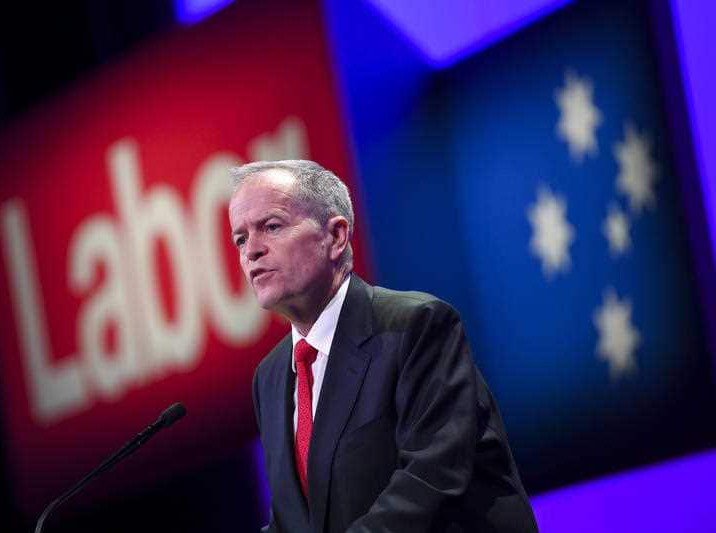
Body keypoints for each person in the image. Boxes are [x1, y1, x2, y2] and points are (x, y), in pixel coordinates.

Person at [228, 160, 538, 533]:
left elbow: (432, 475)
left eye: (271, 226)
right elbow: (295, 520)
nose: (252, 251)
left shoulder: (415, 325)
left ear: (336, 236)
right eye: (241, 238)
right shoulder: (272, 377)